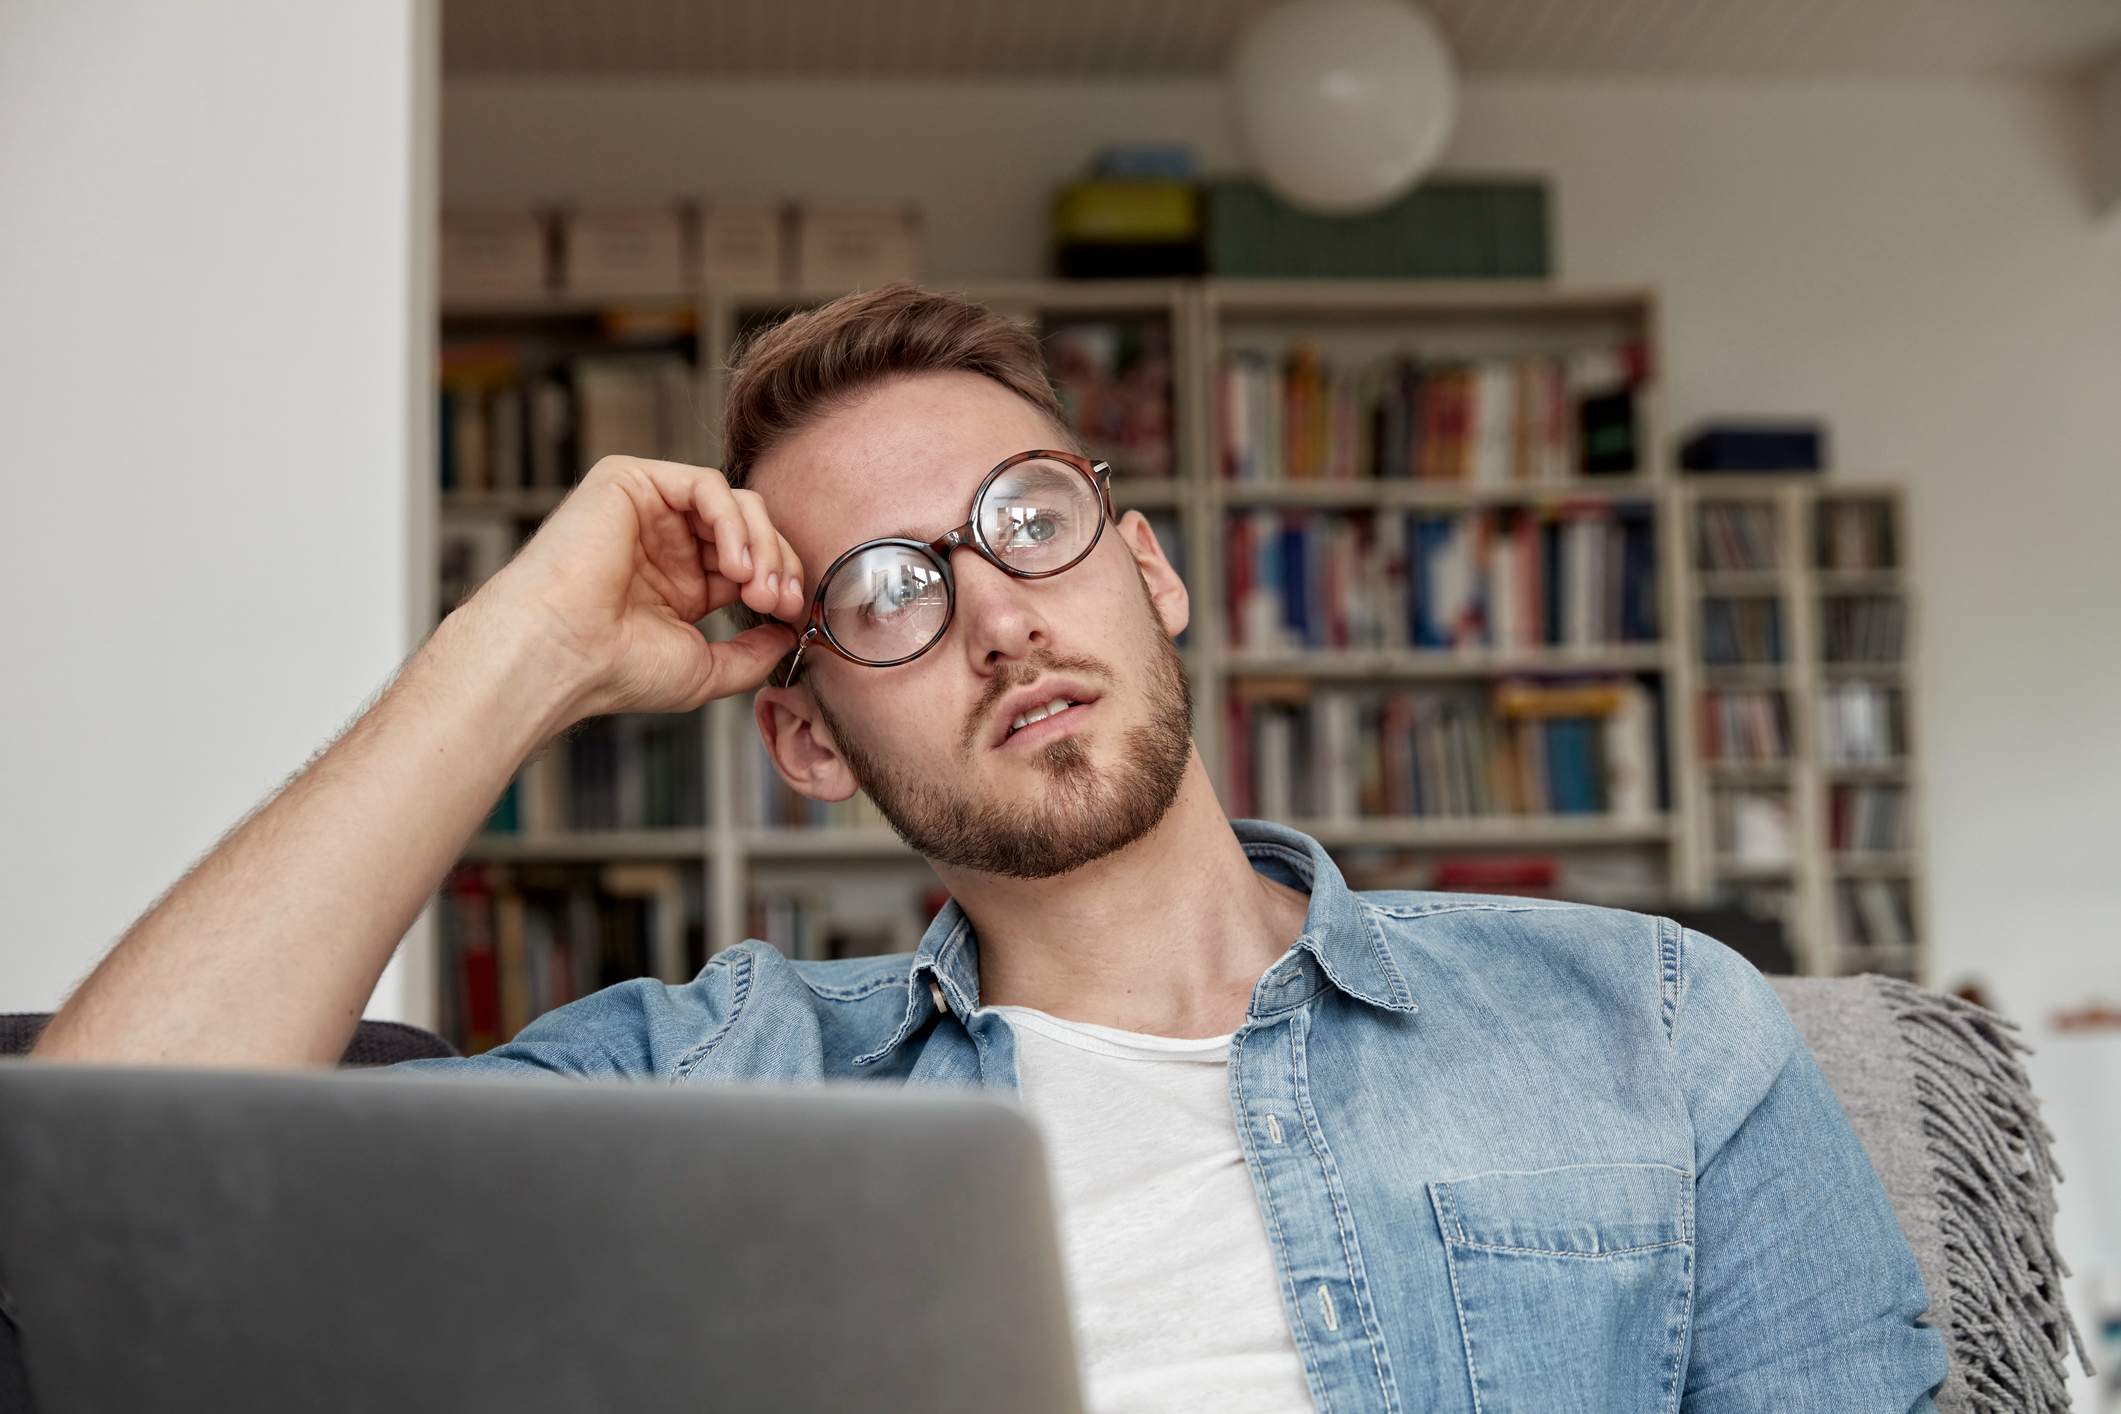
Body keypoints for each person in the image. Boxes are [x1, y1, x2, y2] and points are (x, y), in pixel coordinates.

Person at [33, 285, 1947, 1412]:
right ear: (799, 732)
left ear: (1153, 566)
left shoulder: (1648, 1023)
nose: (999, 617)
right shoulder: (704, 1077)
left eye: (1030, 518)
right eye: (886, 591)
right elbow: (84, 1194)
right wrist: (518, 648)